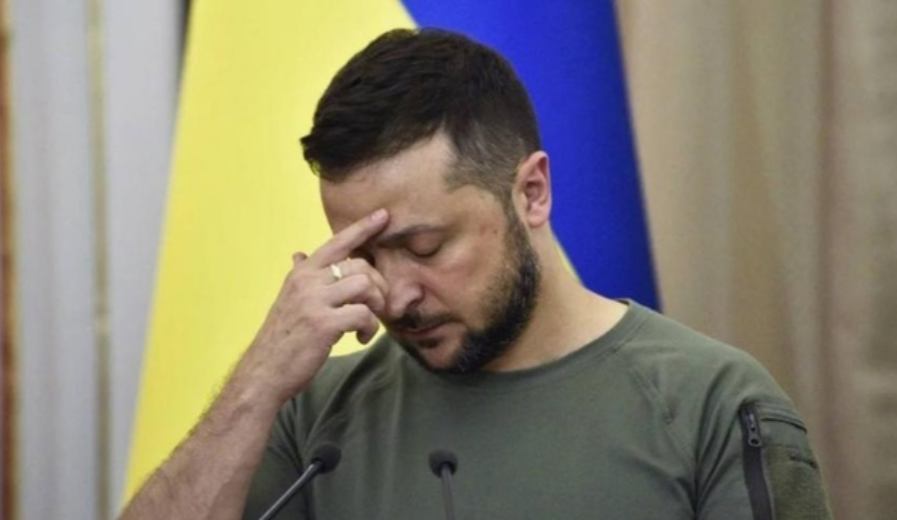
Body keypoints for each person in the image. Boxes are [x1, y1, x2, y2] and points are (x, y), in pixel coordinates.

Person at [119, 28, 832, 520]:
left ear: (531, 193)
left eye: (425, 247)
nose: (396, 295)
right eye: (365, 256)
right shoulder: (314, 417)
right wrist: (258, 382)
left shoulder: (711, 405)